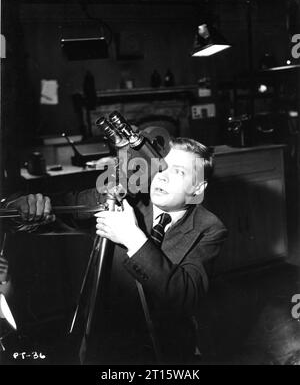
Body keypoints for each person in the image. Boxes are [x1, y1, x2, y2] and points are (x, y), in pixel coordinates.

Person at [5, 137, 228, 364]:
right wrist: (19, 206)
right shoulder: (122, 198)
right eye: (161, 166)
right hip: (108, 340)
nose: (163, 176)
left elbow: (185, 295)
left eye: (179, 172)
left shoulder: (209, 228)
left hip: (166, 347)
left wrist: (132, 237)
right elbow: (54, 208)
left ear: (198, 187)